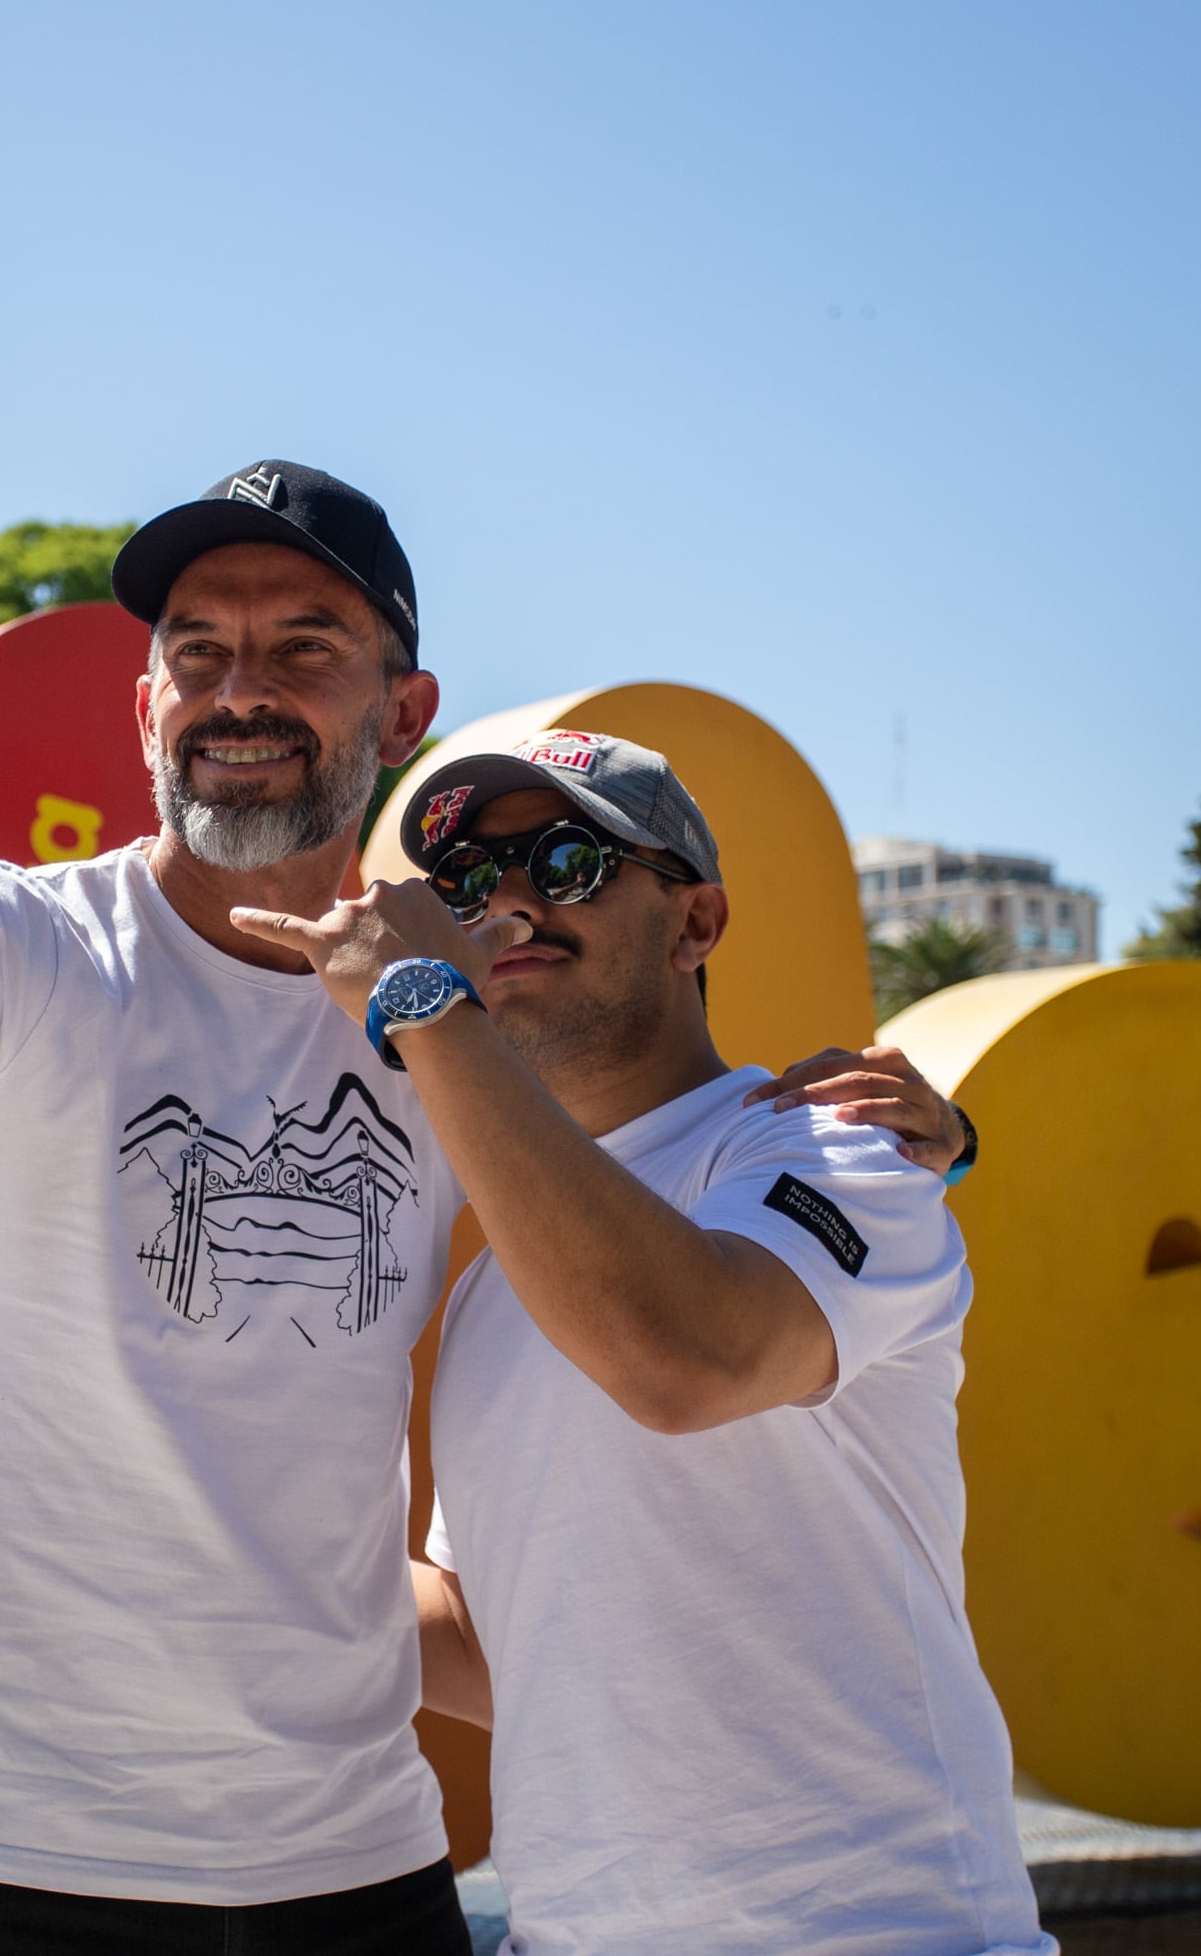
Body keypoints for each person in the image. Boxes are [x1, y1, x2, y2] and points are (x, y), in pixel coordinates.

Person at [0, 416, 973, 1953]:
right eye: (199, 651)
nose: (241, 689)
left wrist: (935, 1132)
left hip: (360, 1866)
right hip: (21, 1859)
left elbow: (685, 1175)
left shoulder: (459, 1017)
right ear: (145, 705)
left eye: (305, 645)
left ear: (403, 705)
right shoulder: (27, 949)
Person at [231, 732, 1051, 1956]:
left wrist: (419, 1002)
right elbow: (489, 1631)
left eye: (566, 860)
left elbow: (684, 1358)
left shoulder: (837, 1148)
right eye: (462, 884)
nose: (503, 902)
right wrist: (205, 1541)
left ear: (696, 921)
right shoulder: (504, 1277)